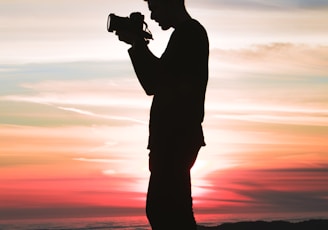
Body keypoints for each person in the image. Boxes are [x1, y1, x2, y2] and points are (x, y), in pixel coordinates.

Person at [115, 0, 209, 229]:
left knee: (164, 211)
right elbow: (160, 78)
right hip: (174, 138)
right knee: (170, 211)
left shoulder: (189, 34)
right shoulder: (187, 34)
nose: (153, 17)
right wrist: (137, 44)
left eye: (155, 9)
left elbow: (154, 82)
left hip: (174, 138)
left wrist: (138, 44)